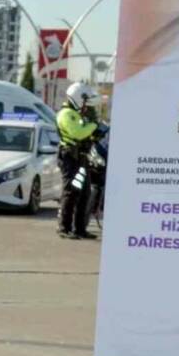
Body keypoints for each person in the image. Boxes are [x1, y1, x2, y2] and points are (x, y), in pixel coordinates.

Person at [56, 81, 102, 239]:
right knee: (71, 192)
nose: (85, 104)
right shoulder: (67, 114)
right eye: (84, 100)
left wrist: (94, 133)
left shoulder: (76, 114)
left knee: (85, 194)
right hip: (70, 157)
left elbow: (85, 133)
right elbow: (77, 133)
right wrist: (94, 126)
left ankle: (80, 229)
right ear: (77, 98)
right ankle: (64, 228)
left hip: (80, 157)